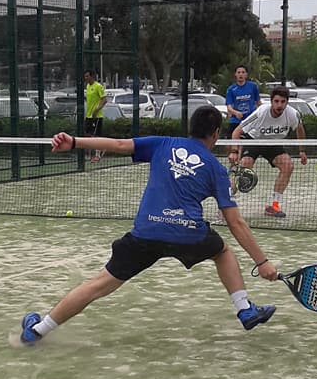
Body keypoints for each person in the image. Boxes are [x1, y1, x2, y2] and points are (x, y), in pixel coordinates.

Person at [19, 106, 279, 344]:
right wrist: (262, 261)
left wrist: (74, 142)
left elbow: (119, 144)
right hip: (188, 234)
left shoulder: (162, 144)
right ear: (215, 133)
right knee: (222, 252)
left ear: (190, 128)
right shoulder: (216, 169)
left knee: (99, 284)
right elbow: (235, 222)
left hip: (147, 233)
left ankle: (38, 330)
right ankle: (244, 308)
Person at [229, 86, 308, 218]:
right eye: (276, 101)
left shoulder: (293, 114)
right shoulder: (261, 112)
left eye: (283, 102)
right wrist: (234, 151)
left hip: (274, 144)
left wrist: (302, 150)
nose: (279, 105)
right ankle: (226, 203)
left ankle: (274, 205)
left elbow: (299, 129)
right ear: (271, 101)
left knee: (288, 166)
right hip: (254, 140)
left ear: (287, 102)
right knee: (244, 166)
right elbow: (237, 131)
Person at [225, 65, 262, 138]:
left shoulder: (253, 86)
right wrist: (236, 113)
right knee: (231, 142)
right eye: (238, 72)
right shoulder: (231, 89)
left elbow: (258, 103)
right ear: (235, 74)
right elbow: (229, 107)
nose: (241, 74)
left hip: (250, 120)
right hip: (236, 120)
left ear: (246, 74)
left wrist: (260, 114)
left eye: (243, 72)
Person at [83, 70, 108, 163]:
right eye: (85, 76)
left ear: (91, 76)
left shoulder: (98, 86)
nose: (85, 78)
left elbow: (104, 100)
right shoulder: (88, 86)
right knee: (88, 135)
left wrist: (96, 110)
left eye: (87, 76)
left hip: (97, 116)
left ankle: (97, 155)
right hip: (89, 116)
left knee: (96, 136)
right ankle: (94, 152)